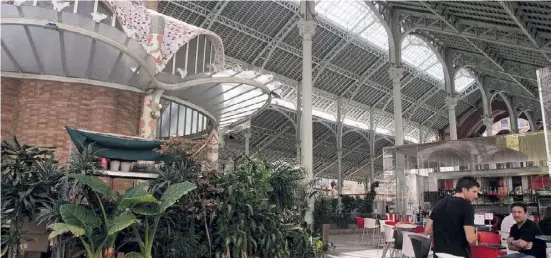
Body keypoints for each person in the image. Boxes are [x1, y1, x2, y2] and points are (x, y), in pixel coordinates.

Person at [425, 176, 479, 258]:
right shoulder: (467, 206)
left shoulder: (439, 203)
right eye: (474, 192)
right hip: (458, 254)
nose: (476, 196)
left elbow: (428, 230)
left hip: (438, 253)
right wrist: (476, 235)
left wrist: (446, 234)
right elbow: (470, 239)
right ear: (464, 190)